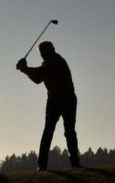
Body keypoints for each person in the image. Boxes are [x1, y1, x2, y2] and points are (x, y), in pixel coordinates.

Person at [16, 41, 81, 170]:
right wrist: (25, 70)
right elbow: (37, 79)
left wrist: (24, 69)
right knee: (53, 131)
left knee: (67, 131)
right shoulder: (48, 63)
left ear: (51, 50)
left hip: (66, 99)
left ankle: (73, 163)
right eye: (43, 52)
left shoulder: (57, 61)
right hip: (55, 100)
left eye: (46, 51)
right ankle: (43, 165)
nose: (44, 54)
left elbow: (40, 74)